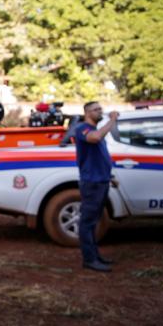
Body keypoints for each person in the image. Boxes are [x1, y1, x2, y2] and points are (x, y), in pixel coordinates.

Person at [73, 101, 118, 273]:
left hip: (101, 181)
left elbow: (99, 158)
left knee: (93, 222)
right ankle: (89, 259)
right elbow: (95, 137)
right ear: (86, 112)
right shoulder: (83, 129)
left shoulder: (96, 131)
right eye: (96, 109)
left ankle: (94, 256)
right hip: (91, 183)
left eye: (101, 109)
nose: (100, 111)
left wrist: (109, 177)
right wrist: (112, 120)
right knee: (87, 222)